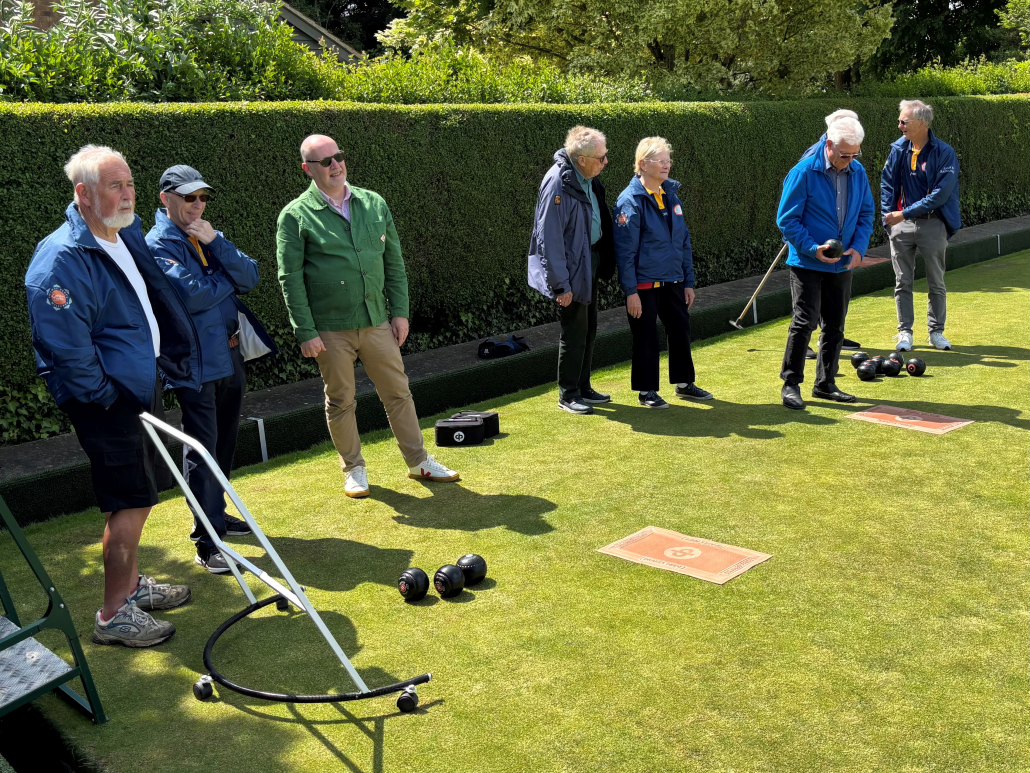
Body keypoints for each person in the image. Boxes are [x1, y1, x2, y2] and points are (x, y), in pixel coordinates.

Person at [25, 146, 197, 647]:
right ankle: (112, 613)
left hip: (136, 389)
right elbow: (66, 349)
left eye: (129, 184)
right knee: (128, 501)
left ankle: (132, 587)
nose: (127, 195)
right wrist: (107, 396)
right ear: (83, 194)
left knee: (141, 493)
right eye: (114, 186)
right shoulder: (61, 259)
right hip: (108, 402)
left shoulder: (122, 233)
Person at [276, 135, 458, 498]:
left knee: (398, 392)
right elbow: (290, 279)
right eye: (325, 161)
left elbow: (394, 264)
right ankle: (354, 469)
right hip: (329, 329)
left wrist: (400, 313)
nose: (335, 165)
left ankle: (418, 461)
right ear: (307, 169)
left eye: (338, 157)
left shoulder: (374, 202)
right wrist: (305, 331)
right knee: (341, 399)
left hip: (377, 320)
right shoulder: (295, 216)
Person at [147, 165, 276, 574]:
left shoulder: (206, 234)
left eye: (202, 197)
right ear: (165, 199)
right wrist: (226, 272)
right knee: (201, 452)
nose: (197, 205)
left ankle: (216, 519)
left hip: (228, 356)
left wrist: (217, 242)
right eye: (189, 197)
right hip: (194, 364)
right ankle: (207, 542)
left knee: (222, 447)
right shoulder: (157, 244)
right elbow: (195, 296)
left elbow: (252, 275)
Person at [777, 117, 875, 410]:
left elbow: (866, 214)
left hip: (841, 264)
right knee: (804, 322)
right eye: (845, 154)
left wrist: (858, 248)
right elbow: (787, 220)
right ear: (829, 145)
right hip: (807, 263)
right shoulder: (803, 172)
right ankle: (791, 384)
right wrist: (811, 248)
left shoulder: (858, 172)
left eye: (855, 154)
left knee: (835, 324)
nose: (850, 160)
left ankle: (825, 384)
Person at [611, 137, 712, 409]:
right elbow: (625, 252)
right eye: (661, 161)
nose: (667, 165)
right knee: (646, 336)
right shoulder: (630, 200)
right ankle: (646, 391)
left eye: (668, 160)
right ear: (643, 164)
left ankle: (684, 383)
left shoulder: (671, 195)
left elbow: (684, 241)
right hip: (644, 283)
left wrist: (688, 281)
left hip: (674, 280)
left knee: (680, 328)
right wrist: (630, 291)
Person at [528, 125, 617, 415]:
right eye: (601, 158)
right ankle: (568, 394)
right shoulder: (558, 182)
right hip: (571, 267)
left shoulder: (586, 178)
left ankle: (584, 387)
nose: (606, 162)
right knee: (575, 330)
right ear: (582, 159)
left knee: (589, 327)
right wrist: (560, 285)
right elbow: (549, 237)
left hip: (589, 259)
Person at [880, 99, 961, 351]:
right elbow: (887, 184)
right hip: (901, 226)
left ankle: (936, 333)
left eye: (904, 121)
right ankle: (905, 333)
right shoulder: (898, 150)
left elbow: (940, 194)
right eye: (900, 120)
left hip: (933, 224)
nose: (899, 125)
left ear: (922, 123)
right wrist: (889, 219)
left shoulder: (944, 153)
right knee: (902, 282)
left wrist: (903, 214)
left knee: (936, 282)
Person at [800, 109, 864, 358]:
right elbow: (792, 212)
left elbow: (863, 209)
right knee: (807, 309)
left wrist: (857, 245)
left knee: (835, 310)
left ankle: (833, 337)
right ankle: (805, 343)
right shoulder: (810, 160)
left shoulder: (853, 164)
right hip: (814, 248)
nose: (849, 157)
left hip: (840, 249)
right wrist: (806, 243)